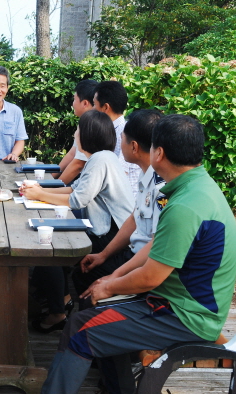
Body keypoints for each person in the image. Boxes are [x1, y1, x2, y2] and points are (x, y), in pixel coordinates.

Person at [40, 114, 236, 394]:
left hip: (184, 316)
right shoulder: (196, 188)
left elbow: (150, 277)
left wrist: (109, 283)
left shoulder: (185, 205)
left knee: (81, 329)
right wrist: (112, 279)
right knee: (91, 314)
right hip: (179, 304)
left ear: (158, 153)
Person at [21, 110, 133, 333]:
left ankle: (58, 311)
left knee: (51, 252)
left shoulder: (100, 159)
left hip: (111, 239)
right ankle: (55, 305)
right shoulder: (102, 157)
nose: (75, 133)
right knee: (51, 247)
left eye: (78, 129)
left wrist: (39, 195)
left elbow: (77, 199)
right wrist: (40, 190)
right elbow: (75, 189)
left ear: (87, 134)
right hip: (105, 232)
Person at [72, 109, 165, 305]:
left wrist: (115, 276)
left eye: (121, 138)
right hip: (132, 252)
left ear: (133, 146)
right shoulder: (146, 174)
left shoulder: (161, 186)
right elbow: (134, 218)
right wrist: (103, 255)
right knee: (83, 269)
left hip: (145, 263)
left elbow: (156, 245)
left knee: (85, 278)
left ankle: (91, 319)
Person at [93, 81, 142, 198]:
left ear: (105, 107)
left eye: (94, 104)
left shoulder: (124, 134)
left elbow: (118, 177)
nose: (92, 109)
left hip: (123, 205)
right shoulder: (114, 130)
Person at [53, 79, 98, 185]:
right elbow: (72, 154)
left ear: (85, 103)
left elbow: (78, 164)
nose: (73, 104)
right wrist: (49, 180)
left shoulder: (92, 124)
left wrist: (54, 188)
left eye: (74, 99)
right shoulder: (85, 122)